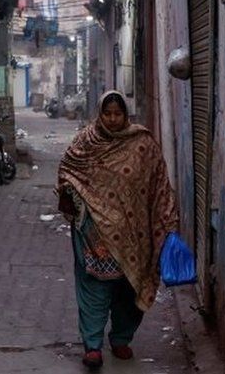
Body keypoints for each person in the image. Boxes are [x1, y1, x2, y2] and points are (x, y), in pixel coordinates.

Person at [57, 90, 179, 370]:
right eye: (107, 113)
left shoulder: (143, 144)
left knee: (129, 286)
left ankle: (122, 338)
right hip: (93, 232)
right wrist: (71, 195)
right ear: (99, 114)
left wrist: (167, 221)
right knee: (93, 287)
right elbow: (66, 171)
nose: (112, 119)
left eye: (118, 113)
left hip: (134, 235)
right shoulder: (85, 142)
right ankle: (92, 345)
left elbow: (160, 184)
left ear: (126, 115)